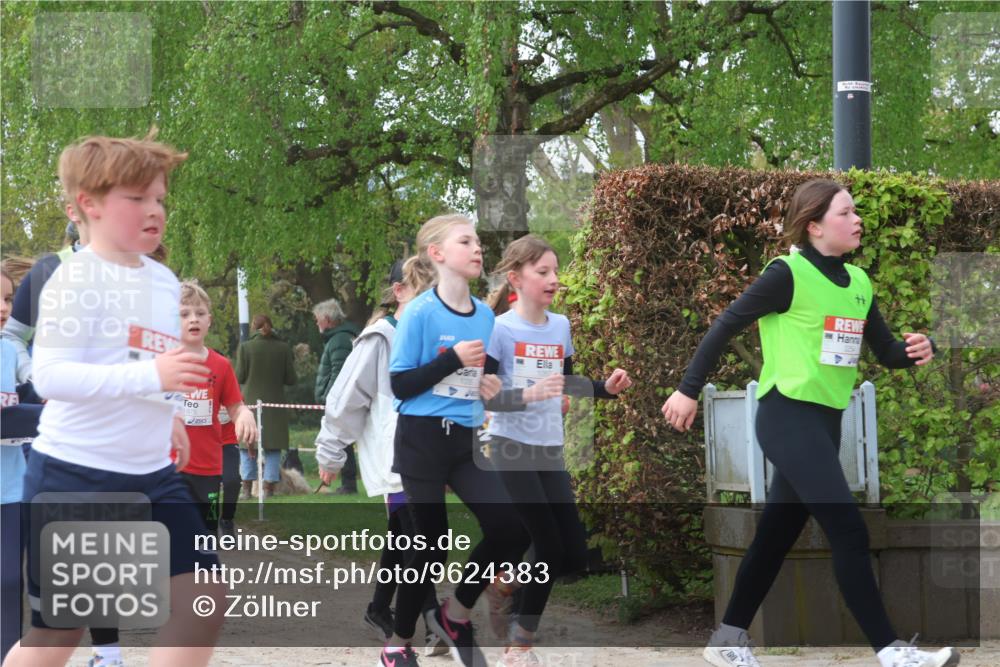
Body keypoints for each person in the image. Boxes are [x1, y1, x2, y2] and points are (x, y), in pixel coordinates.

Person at [660, 179, 957, 667]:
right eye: (845, 212)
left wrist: (917, 351)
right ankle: (891, 651)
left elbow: (884, 351)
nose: (857, 219)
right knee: (848, 529)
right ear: (814, 226)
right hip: (785, 417)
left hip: (825, 425)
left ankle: (727, 639)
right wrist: (687, 389)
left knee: (776, 533)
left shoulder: (859, 284)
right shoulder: (787, 274)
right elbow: (725, 324)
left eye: (855, 211)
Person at [3, 129, 225, 667]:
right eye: (137, 199)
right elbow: (53, 378)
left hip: (151, 475)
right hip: (77, 477)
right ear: (89, 205)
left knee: (205, 598)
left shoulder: (164, 281)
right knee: (61, 635)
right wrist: (154, 377)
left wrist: (167, 411)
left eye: (159, 199)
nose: (155, 210)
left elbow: (143, 363)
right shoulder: (73, 279)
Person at [379, 214, 527, 667]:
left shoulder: (485, 315)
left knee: (511, 527)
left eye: (478, 241)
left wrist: (491, 385)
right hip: (421, 441)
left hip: (463, 440)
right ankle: (398, 643)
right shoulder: (422, 312)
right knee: (431, 546)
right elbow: (400, 385)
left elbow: (483, 376)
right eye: (466, 241)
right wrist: (450, 359)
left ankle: (456, 611)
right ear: (438, 254)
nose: (478, 248)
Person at [483, 235, 632, 666]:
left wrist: (605, 388)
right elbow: (487, 399)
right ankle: (520, 644)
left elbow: (565, 382)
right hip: (510, 445)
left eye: (554, 271)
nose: (553, 279)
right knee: (546, 544)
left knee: (570, 551)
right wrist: (528, 395)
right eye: (543, 272)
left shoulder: (560, 326)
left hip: (550, 447)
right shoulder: (500, 329)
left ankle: (507, 581)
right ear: (516, 278)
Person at [314, 258, 448, 656]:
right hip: (396, 460)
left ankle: (379, 609)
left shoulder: (436, 339)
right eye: (421, 290)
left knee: (409, 537)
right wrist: (330, 452)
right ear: (398, 292)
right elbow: (344, 400)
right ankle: (432, 619)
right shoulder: (380, 338)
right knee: (421, 540)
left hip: (429, 458)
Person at [177, 282, 257, 533]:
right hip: (172, 467)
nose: (194, 319)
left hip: (208, 468)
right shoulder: (160, 362)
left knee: (207, 533)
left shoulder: (221, 366)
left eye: (200, 313)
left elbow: (235, 405)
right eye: (184, 314)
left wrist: (245, 415)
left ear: (209, 320)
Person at [1, 263, 43, 663]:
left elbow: (39, 390)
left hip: (12, 488)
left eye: (9, 299)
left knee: (11, 580)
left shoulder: (10, 350)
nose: (3, 307)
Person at [235, 314, 296, 499]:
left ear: (254, 327)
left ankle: (246, 490)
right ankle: (269, 489)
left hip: (251, 405)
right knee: (273, 448)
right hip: (275, 405)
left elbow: (239, 377)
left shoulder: (246, 348)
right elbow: (291, 379)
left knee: (247, 446)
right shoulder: (283, 348)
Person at [312, 297, 360, 491]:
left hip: (336, 400)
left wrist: (328, 397)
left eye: (317, 319)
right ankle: (347, 483)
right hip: (337, 398)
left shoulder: (339, 340)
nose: (316, 323)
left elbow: (338, 372)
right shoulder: (340, 338)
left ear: (327, 319)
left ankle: (348, 484)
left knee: (341, 440)